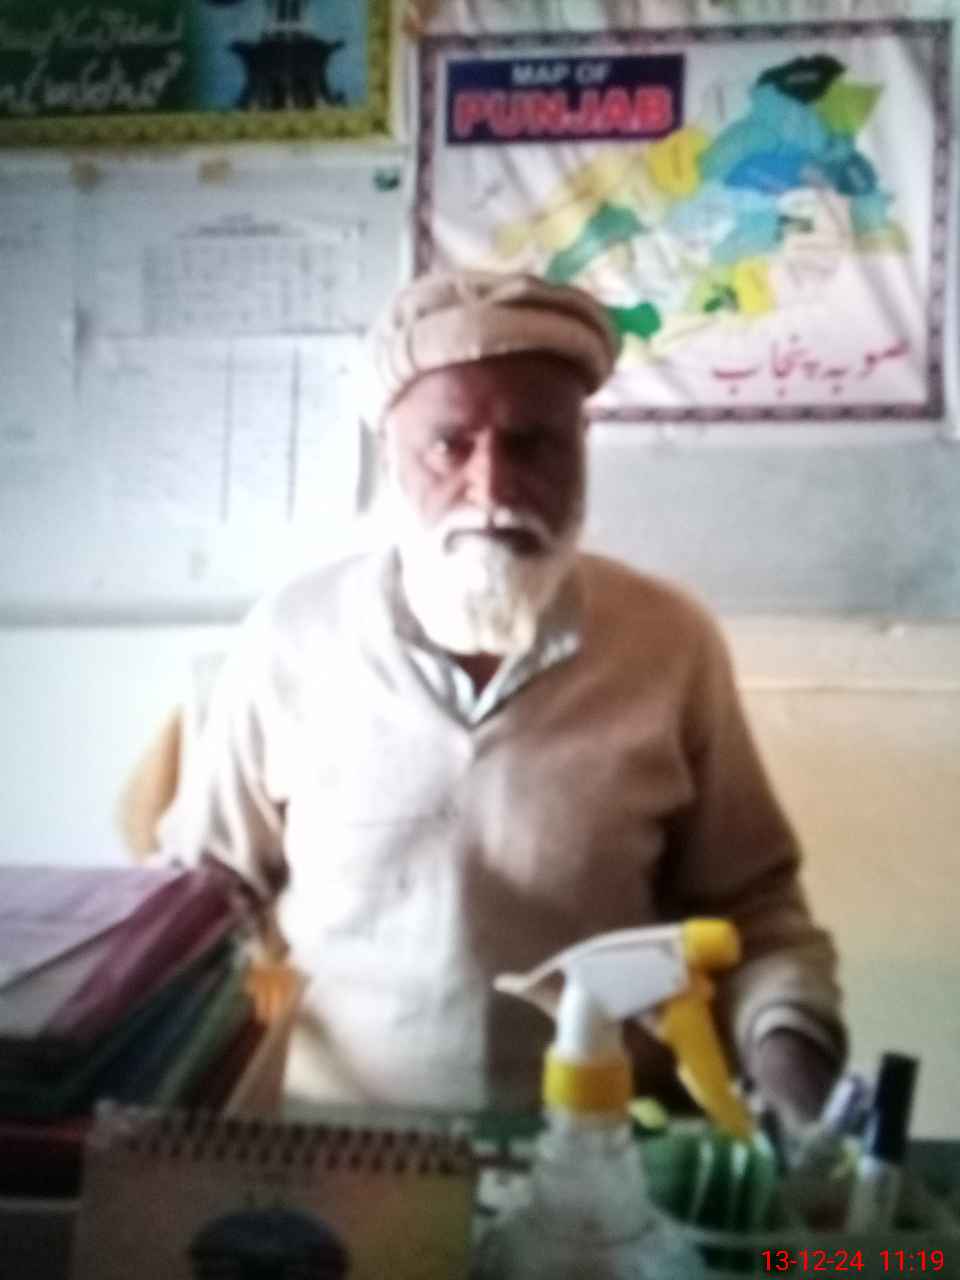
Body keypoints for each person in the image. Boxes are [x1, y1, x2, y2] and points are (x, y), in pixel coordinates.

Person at [162, 270, 844, 1129]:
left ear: (581, 450)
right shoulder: (290, 638)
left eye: (533, 445)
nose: (492, 489)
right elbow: (202, 899)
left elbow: (755, 914)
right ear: (391, 455)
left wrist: (792, 1064)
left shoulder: (670, 643)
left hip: (608, 1149)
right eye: (450, 446)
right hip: (338, 1149)